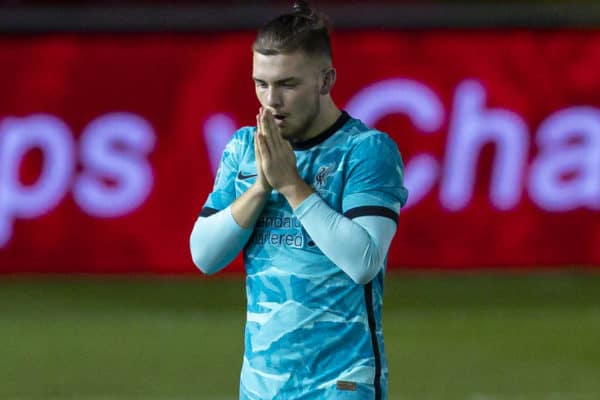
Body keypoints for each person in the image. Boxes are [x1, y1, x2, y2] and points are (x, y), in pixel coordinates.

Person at [189, 1, 408, 398]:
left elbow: (363, 262)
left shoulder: (366, 151)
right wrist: (260, 188)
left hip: (341, 384)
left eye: (287, 84)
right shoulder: (244, 149)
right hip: (261, 387)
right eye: (261, 83)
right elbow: (204, 255)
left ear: (326, 80)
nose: (271, 100)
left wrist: (291, 185)